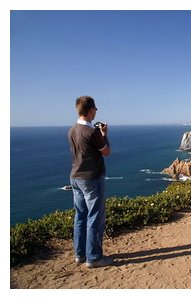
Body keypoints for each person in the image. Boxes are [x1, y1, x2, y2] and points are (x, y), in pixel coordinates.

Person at [68, 96, 113, 268]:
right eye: (95, 108)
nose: (96, 111)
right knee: (95, 217)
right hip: (91, 179)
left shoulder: (72, 130)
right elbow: (106, 151)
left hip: (75, 177)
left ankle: (80, 254)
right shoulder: (92, 132)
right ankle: (94, 257)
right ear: (90, 110)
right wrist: (104, 135)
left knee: (80, 216)